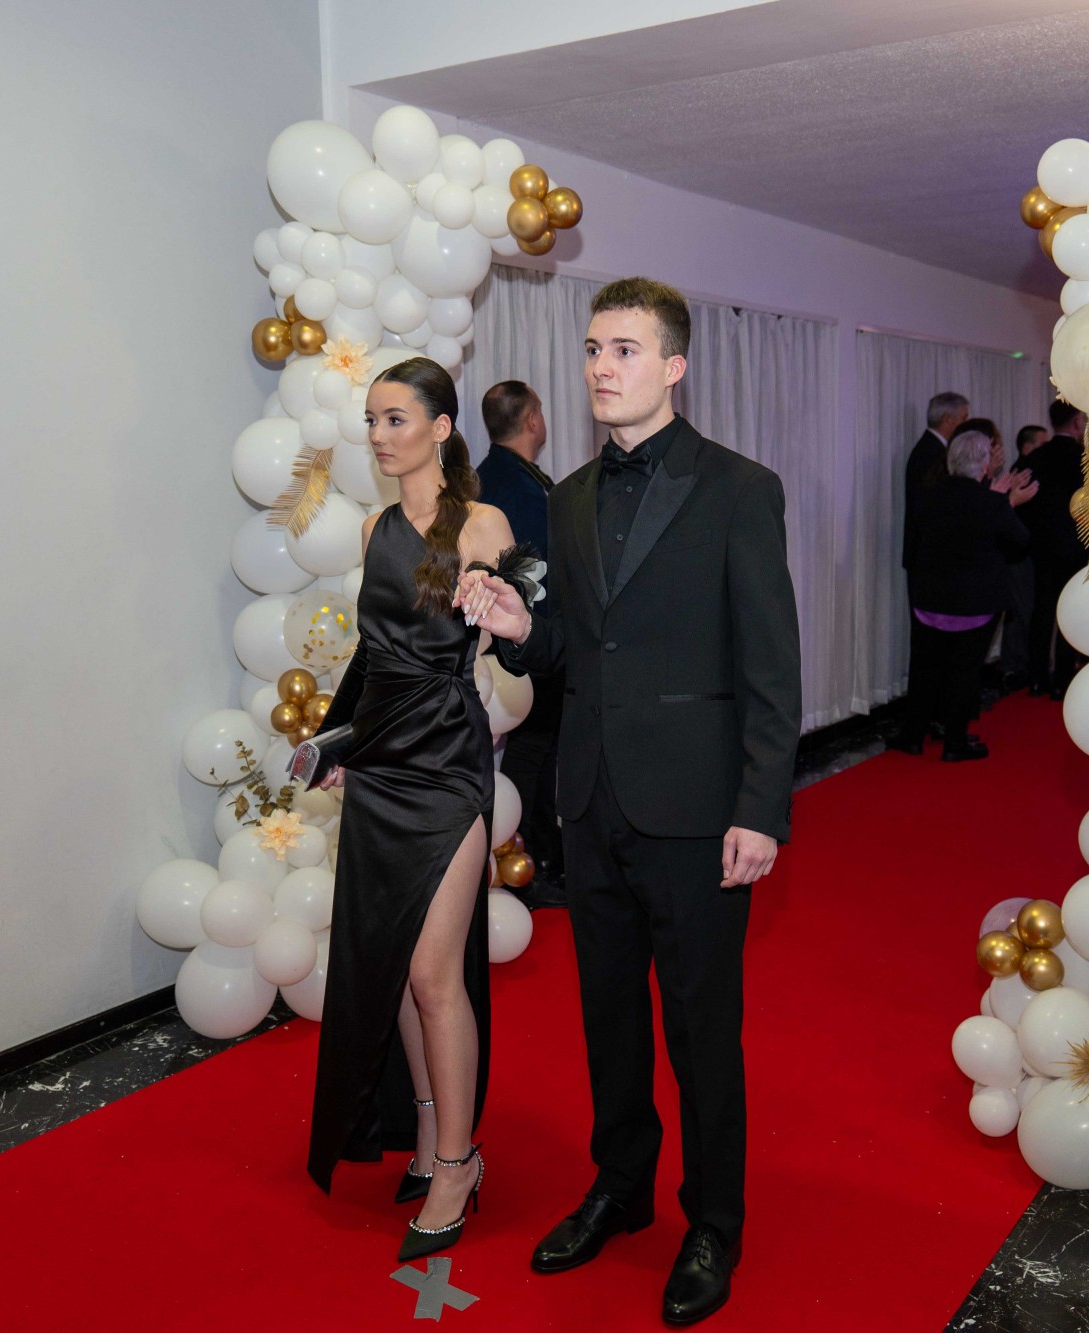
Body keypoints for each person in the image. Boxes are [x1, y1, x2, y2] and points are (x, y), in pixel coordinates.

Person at [456, 276, 801, 1327]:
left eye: (625, 350)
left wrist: (761, 806)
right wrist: (522, 628)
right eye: (593, 348)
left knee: (701, 1028)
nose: (602, 367)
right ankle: (620, 1185)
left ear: (674, 364)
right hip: (591, 800)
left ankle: (714, 1219)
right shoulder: (567, 496)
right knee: (606, 1016)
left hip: (698, 809)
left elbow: (770, 662)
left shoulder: (740, 488)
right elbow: (574, 645)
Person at [304, 357, 520, 1263]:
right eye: (372, 420)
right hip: (381, 763)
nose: (380, 435)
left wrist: (500, 592)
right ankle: (430, 1125)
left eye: (396, 418)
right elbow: (371, 656)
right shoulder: (373, 529)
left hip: (447, 762)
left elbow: (514, 609)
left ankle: (460, 1164)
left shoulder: (483, 522)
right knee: (394, 963)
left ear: (441, 426)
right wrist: (335, 743)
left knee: (435, 973)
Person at [475, 380, 565, 908]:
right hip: (529, 644)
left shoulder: (485, 477)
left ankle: (535, 856)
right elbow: (538, 579)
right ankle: (535, 864)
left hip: (499, 644)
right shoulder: (523, 491)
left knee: (530, 753)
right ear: (533, 420)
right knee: (535, 753)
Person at [909, 425, 1034, 759]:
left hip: (929, 598)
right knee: (963, 673)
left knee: (925, 670)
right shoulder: (990, 502)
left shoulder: (928, 495)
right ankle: (954, 744)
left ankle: (913, 736)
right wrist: (1006, 502)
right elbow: (1020, 541)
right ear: (984, 464)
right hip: (974, 604)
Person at [893, 391, 969, 753]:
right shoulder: (931, 454)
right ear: (949, 420)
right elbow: (932, 515)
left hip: (929, 565)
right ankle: (922, 724)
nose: (965, 426)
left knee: (933, 651)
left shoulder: (931, 451)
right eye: (964, 419)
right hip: (929, 566)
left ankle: (930, 720)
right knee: (928, 651)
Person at [1013, 400, 1089, 698]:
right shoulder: (1086, 459)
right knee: (1071, 612)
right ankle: (1062, 680)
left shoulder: (1035, 458)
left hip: (1042, 547)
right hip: (1076, 546)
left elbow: (1022, 503)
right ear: (1077, 422)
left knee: (1042, 610)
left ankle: (1037, 678)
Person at [995, 425, 1049, 692]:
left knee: (1020, 610)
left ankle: (1015, 665)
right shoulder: (1024, 472)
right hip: (1018, 554)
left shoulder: (1023, 470)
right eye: (1042, 444)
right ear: (1028, 447)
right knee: (1022, 610)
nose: (1046, 449)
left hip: (1020, 552)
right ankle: (1016, 666)